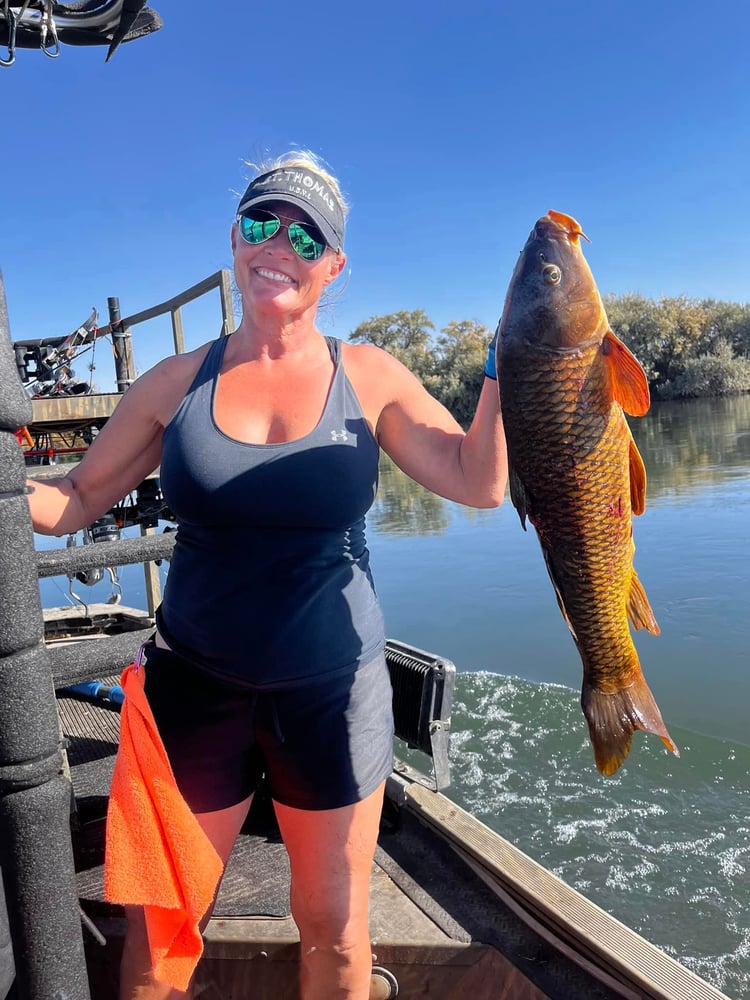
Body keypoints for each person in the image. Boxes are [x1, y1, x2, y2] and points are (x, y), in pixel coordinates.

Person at [27, 150, 508, 1000]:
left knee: (335, 933)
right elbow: (70, 500)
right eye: (260, 223)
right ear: (235, 239)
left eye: (304, 233)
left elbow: (477, 480)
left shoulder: (370, 375)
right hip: (194, 694)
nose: (276, 244)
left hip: (331, 696)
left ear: (334, 264)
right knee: (159, 943)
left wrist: (513, 368)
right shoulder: (175, 382)